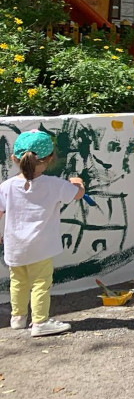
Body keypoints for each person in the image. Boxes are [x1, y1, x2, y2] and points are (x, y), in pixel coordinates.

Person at [1, 131, 85, 337]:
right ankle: (40, 322)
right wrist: (78, 181)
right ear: (49, 158)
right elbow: (77, 194)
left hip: (14, 246)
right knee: (40, 283)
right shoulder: (55, 184)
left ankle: (18, 317)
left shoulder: (6, 186)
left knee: (18, 281)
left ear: (14, 158)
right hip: (41, 246)